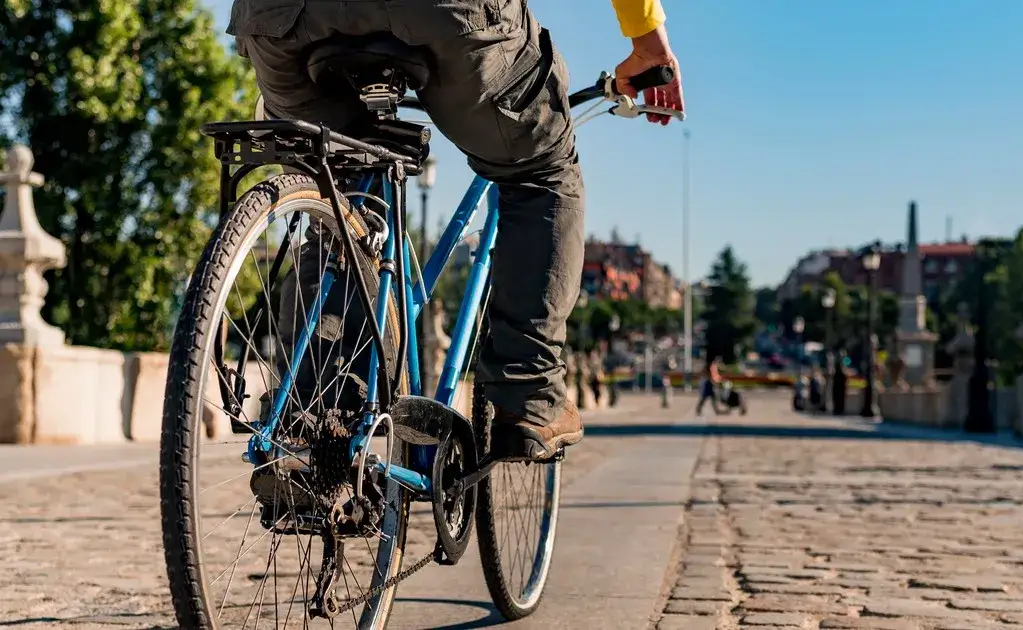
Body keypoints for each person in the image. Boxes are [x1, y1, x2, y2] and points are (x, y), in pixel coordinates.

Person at [228, 0, 685, 461]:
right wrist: (648, 41)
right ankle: (529, 394)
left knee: (341, 207)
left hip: (281, 17)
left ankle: (308, 415)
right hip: (445, 14)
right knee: (542, 168)